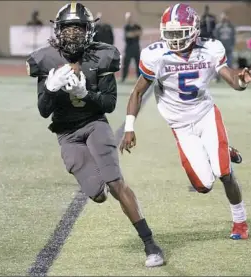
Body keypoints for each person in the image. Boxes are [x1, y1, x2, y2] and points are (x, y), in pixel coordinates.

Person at [25, 2, 164, 267]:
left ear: (89, 30)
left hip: (94, 123)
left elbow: (109, 104)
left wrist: (84, 94)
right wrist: (51, 89)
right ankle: (95, 178)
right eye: (69, 28)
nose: (74, 34)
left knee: (115, 182)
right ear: (58, 30)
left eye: (79, 28)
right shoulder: (46, 59)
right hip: (67, 133)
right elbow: (44, 111)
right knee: (97, 194)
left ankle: (150, 243)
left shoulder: (101, 55)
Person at [120, 3, 251, 240]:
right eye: (170, 34)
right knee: (203, 186)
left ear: (194, 30)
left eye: (179, 34)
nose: (174, 40)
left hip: (205, 116)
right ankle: (223, 149)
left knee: (224, 172)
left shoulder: (210, 49)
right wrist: (129, 127)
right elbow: (137, 92)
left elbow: (231, 78)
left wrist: (241, 80)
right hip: (180, 126)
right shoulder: (156, 55)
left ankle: (240, 221)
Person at [121, 12, 142, 82]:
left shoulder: (137, 26)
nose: (128, 19)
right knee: (126, 63)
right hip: (128, 48)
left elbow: (140, 32)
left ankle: (139, 78)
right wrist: (135, 33)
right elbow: (128, 35)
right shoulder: (126, 27)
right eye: (127, 18)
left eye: (129, 17)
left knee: (138, 63)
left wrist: (133, 33)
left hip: (136, 47)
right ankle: (123, 78)